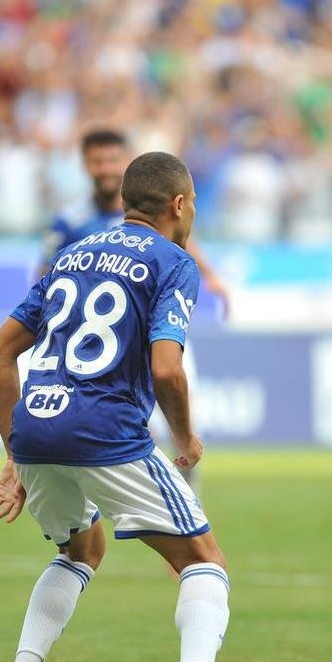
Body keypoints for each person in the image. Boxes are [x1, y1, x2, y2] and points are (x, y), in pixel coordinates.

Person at [0, 151, 268, 662]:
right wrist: (185, 437)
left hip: (37, 426)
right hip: (106, 430)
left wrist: (15, 452)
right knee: (202, 559)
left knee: (82, 546)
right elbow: (167, 370)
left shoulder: (72, 255)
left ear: (123, 202)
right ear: (180, 205)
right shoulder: (173, 261)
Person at [44, 128, 230, 486]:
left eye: (112, 159)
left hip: (160, 325)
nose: (105, 168)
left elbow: (181, 244)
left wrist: (210, 276)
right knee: (138, 427)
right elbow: (47, 275)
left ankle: (184, 506)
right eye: (97, 160)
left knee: (183, 420)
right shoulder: (71, 221)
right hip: (106, 337)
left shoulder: (153, 211)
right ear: (85, 165)